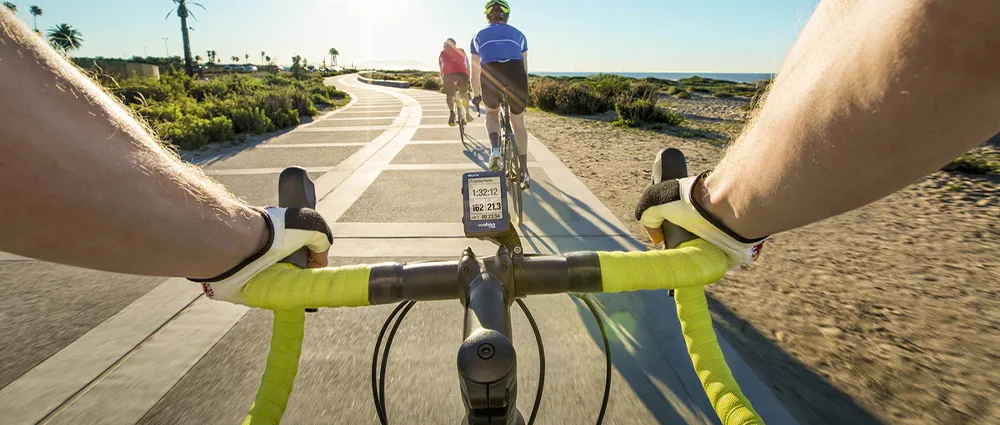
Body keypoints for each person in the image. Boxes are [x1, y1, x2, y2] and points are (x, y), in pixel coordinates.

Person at [2, 2, 998, 306]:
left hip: (483, 92)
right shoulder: (502, 41)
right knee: (507, 123)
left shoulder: (474, 46)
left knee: (499, 125)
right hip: (500, 90)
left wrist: (236, 239)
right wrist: (718, 206)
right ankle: (691, 202)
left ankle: (503, 150)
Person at [469, 0, 530, 186]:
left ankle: (495, 150)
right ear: (507, 15)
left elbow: (474, 72)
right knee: (517, 120)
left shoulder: (478, 36)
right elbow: (525, 69)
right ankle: (524, 170)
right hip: (516, 75)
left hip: (490, 76)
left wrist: (476, 94)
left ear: (487, 16)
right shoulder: (519, 35)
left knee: (492, 113)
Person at [439, 38, 473, 127]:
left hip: (448, 76)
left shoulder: (442, 53)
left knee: (449, 96)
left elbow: (441, 70)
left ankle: (451, 113)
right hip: (462, 75)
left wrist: (443, 81)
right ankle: (468, 114)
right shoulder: (461, 51)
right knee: (464, 93)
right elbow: (467, 65)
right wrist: (468, 78)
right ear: (455, 44)